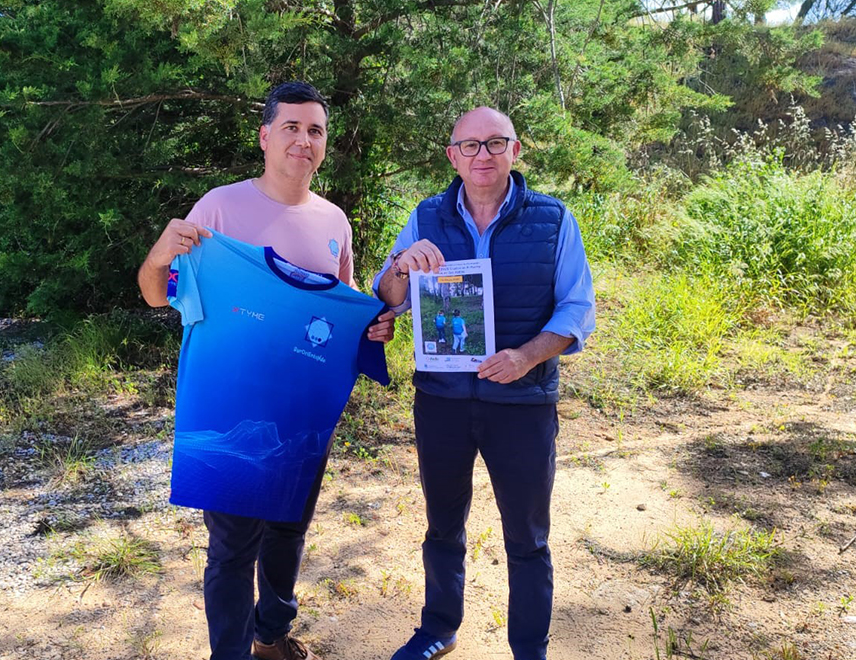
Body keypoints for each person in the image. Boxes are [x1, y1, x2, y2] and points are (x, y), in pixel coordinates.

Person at [138, 81, 395, 660]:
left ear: (324, 143)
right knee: (232, 548)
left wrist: (371, 327)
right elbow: (157, 295)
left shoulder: (334, 221)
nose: (304, 140)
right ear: (264, 136)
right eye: (291, 127)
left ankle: (270, 635)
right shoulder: (218, 210)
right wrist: (159, 254)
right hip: (231, 411)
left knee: (289, 531)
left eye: (315, 130)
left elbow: (344, 304)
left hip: (304, 413)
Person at [373, 107, 595, 660]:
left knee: (528, 537)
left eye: (496, 143)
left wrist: (526, 356)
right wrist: (400, 265)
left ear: (515, 151)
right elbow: (389, 298)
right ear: (453, 156)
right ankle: (439, 628)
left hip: (522, 403)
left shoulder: (553, 219)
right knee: (442, 526)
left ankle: (530, 649)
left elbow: (577, 309)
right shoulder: (425, 216)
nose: (482, 155)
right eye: (469, 146)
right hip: (441, 402)